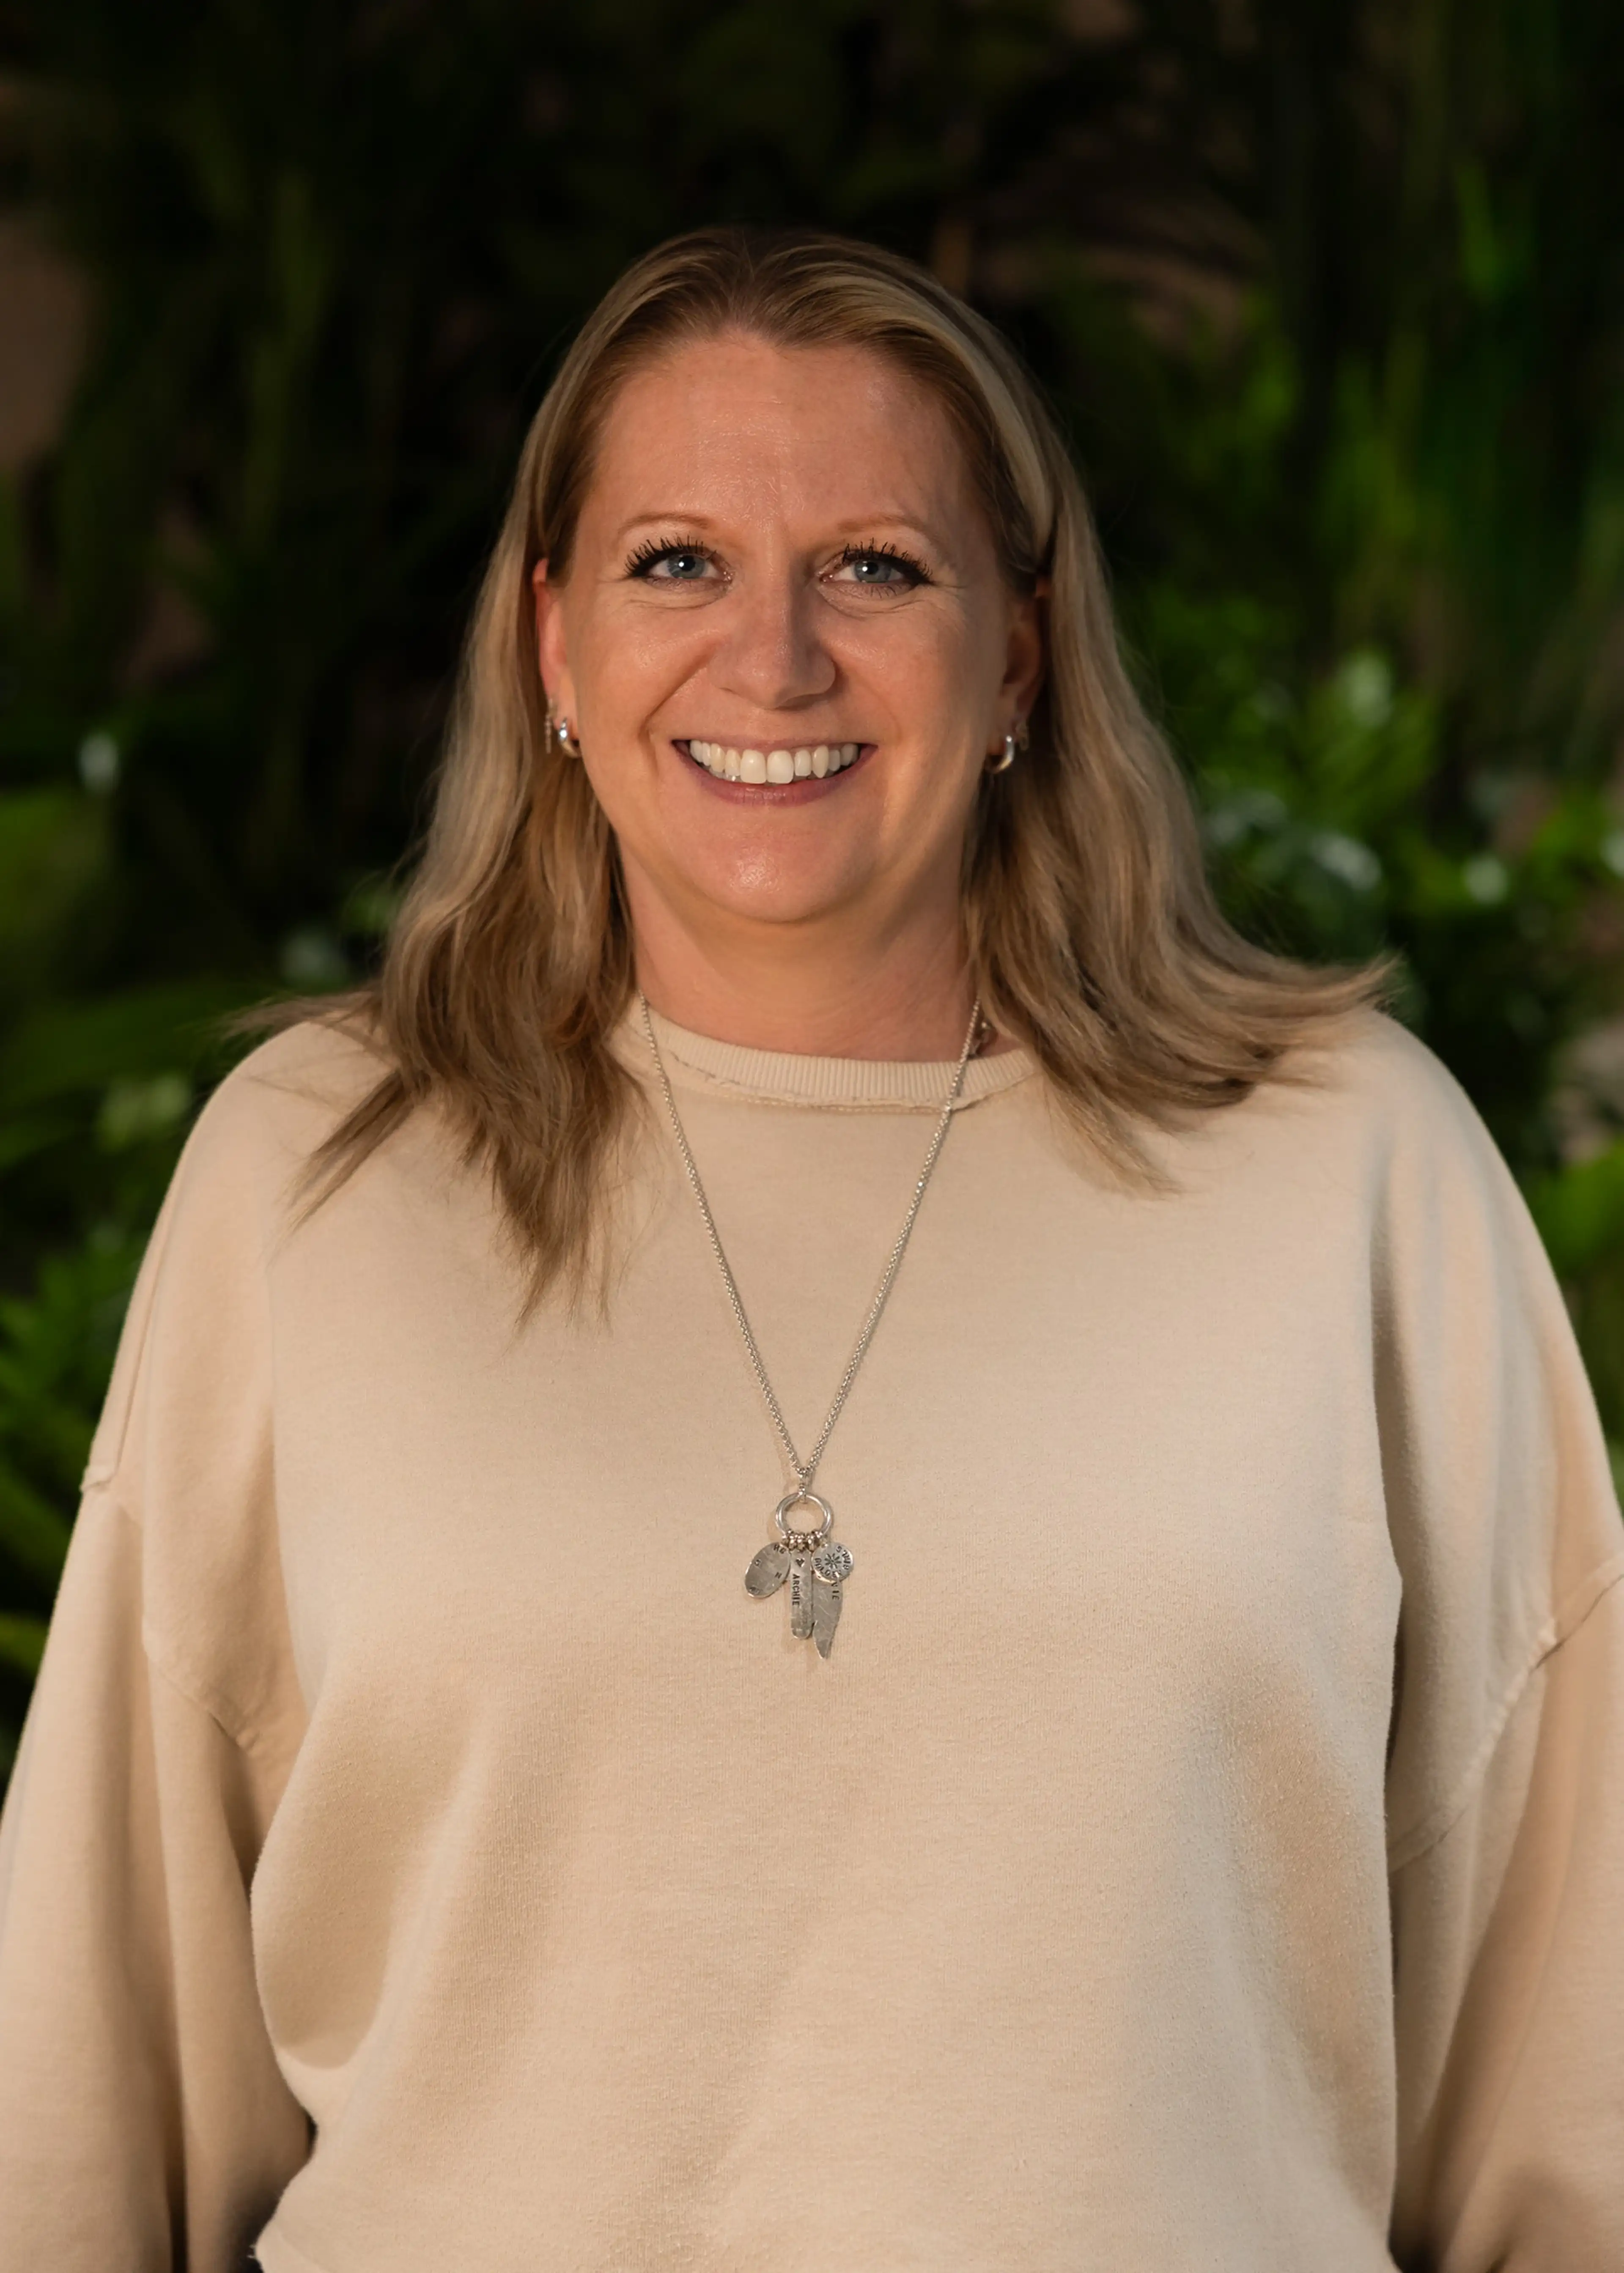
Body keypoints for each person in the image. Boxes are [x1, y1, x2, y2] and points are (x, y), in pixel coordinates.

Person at [0, 225, 1620, 2273]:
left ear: (1018, 652)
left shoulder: (1355, 1174)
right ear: (552, 647)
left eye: (877, 564)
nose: (774, 660)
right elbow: (90, 2069)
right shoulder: (319, 1181)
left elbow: (1579, 2063)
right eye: (678, 560)